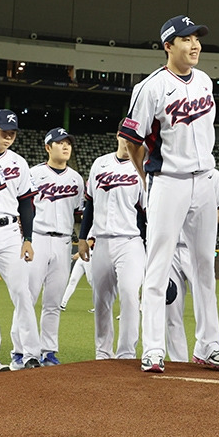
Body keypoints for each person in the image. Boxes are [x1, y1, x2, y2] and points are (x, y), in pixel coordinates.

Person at [119, 14, 219, 373]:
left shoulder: (204, 81)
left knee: (205, 267)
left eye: (197, 38)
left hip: (204, 180)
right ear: (168, 45)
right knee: (158, 266)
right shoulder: (150, 87)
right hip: (168, 180)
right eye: (186, 39)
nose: (195, 44)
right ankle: (153, 348)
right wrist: (147, 177)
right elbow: (132, 140)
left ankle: (208, 345)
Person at [78, 129, 145, 360]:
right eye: (127, 137)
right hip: (102, 242)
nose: (130, 143)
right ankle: (103, 352)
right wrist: (82, 238)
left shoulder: (141, 168)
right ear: (118, 135)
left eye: (136, 140)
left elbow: (146, 213)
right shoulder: (100, 164)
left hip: (130, 241)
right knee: (101, 299)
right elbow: (89, 203)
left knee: (129, 294)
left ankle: (126, 352)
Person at [165, 168, 219, 362]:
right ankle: (178, 361)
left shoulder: (213, 175)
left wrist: (197, 216)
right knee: (171, 307)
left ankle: (208, 347)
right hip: (169, 249)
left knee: (205, 296)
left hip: (195, 246)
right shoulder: (167, 172)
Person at [27, 128, 83, 366]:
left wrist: (84, 240)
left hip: (63, 242)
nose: (65, 147)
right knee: (27, 299)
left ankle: (48, 351)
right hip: (37, 238)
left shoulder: (76, 179)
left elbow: (81, 214)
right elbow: (23, 209)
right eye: (59, 143)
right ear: (48, 147)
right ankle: (24, 351)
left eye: (68, 143)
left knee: (53, 302)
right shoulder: (33, 174)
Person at [0, 109, 42, 370]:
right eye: (4, 132)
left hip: (10, 232)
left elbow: (26, 202)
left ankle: (30, 355)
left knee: (22, 294)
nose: (8, 137)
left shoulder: (19, 162)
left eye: (12, 133)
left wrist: (28, 238)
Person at [60, 237, 94, 311]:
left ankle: (101, 305)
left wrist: (79, 253)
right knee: (73, 280)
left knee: (91, 281)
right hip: (81, 258)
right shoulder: (85, 229)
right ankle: (62, 304)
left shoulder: (93, 228)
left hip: (89, 257)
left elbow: (90, 242)